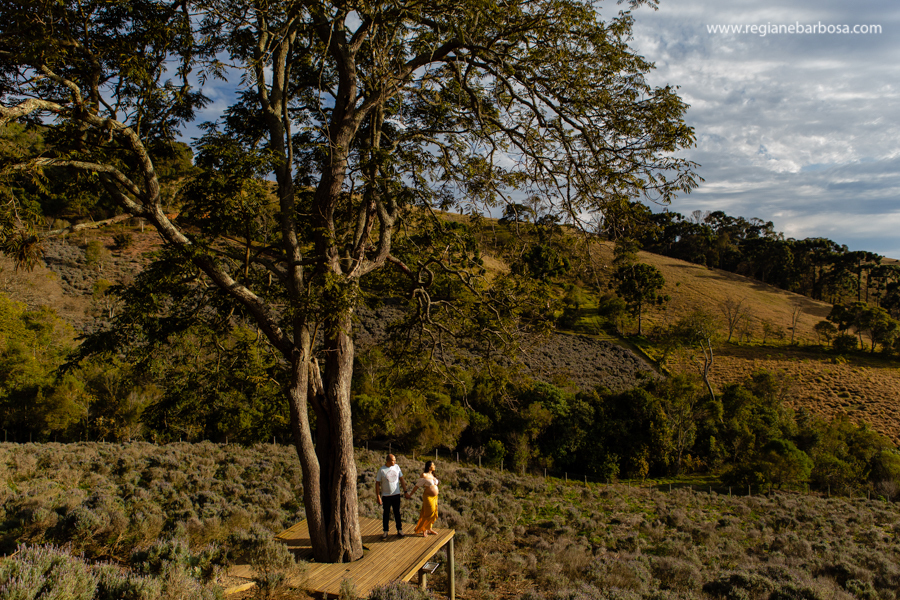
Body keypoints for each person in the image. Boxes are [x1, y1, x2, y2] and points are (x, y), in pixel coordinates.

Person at [375, 454, 408, 539]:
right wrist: (378, 496)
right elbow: (377, 483)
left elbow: (402, 479)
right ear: (388, 461)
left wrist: (405, 491)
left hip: (396, 494)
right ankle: (385, 531)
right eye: (393, 460)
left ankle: (399, 530)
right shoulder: (382, 470)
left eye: (395, 460)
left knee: (397, 513)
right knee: (386, 513)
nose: (395, 461)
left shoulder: (397, 467)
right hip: (386, 496)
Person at [406, 460, 439, 536]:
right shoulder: (424, 475)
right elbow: (417, 486)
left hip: (435, 497)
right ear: (429, 467)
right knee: (428, 513)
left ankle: (429, 528)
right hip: (428, 497)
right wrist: (410, 494)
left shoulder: (433, 475)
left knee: (433, 512)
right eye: (433, 465)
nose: (434, 466)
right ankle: (424, 529)